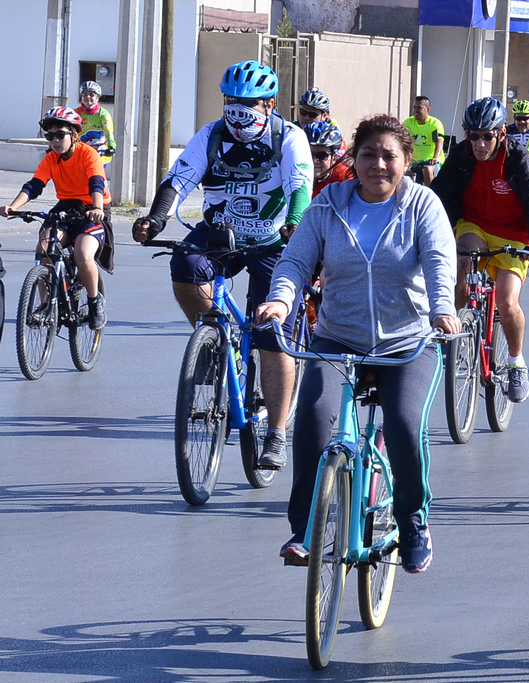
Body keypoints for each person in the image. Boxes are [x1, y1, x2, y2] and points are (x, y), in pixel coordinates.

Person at [256, 114, 459, 572]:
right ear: (355, 158)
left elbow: (440, 264)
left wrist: (442, 309)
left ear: (406, 161)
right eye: (369, 154)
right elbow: (295, 261)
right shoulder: (329, 205)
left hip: (408, 342)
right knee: (310, 415)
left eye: (390, 156)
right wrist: (281, 301)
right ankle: (306, 528)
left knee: (405, 424)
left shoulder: (422, 205)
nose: (379, 165)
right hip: (337, 339)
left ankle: (412, 521)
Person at [131, 60, 313, 470]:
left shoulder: (290, 138)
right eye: (232, 100)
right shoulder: (210, 135)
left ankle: (277, 434)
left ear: (268, 104)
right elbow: (178, 181)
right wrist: (154, 219)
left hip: (272, 241)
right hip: (220, 234)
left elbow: (300, 186)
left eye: (248, 103)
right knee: (184, 265)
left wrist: (296, 225)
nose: (237, 110)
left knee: (272, 334)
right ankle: (215, 341)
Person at [431, 97, 529, 403]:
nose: (480, 144)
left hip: (515, 234)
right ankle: (456, 332)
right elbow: (437, 195)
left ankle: (516, 362)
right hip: (475, 225)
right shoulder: (461, 156)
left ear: (501, 134)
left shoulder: (517, 158)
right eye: (473, 136)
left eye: (487, 136)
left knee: (508, 304)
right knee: (459, 263)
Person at [0, 107, 114, 330]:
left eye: (60, 134)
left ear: (74, 135)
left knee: (82, 254)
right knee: (44, 250)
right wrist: (13, 207)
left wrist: (98, 207)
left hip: (92, 207)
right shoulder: (51, 159)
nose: (54, 140)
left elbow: (96, 183)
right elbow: (34, 186)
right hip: (65, 206)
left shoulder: (88, 154)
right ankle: (45, 306)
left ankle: (94, 302)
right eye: (49, 136)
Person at [403, 95, 445, 186]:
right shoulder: (408, 123)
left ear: (428, 109)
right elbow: (402, 141)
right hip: (415, 162)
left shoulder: (434, 123)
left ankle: (431, 196)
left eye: (419, 108)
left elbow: (439, 142)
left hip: (432, 162)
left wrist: (435, 158)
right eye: (414, 107)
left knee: (427, 170)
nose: (415, 110)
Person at [305, 121, 351, 198]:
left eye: (322, 156)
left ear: (334, 157)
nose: (314, 161)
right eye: (310, 154)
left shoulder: (344, 178)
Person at [75, 81, 116, 168]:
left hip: (100, 153)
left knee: (95, 176)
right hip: (82, 151)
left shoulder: (103, 114)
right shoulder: (76, 113)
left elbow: (109, 132)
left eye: (91, 94)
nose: (87, 97)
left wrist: (111, 146)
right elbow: (68, 130)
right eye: (84, 94)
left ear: (98, 97)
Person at [506, 99, 529, 167]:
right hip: (514, 169)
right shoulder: (508, 130)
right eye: (518, 118)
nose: (522, 122)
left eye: (525, 118)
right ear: (514, 118)